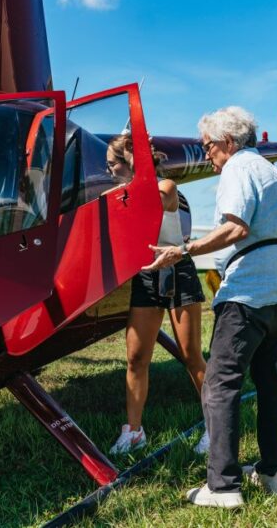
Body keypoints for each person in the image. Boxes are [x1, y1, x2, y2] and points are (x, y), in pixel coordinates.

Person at [143, 106, 277, 508]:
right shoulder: (273, 173)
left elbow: (236, 227)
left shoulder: (237, 169)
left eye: (208, 146)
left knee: (220, 385)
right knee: (269, 383)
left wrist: (184, 249)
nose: (207, 154)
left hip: (247, 294)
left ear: (228, 143)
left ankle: (223, 486)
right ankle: (272, 471)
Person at [105, 134, 210, 455]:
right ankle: (134, 432)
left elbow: (158, 202)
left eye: (112, 164)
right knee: (136, 358)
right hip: (147, 276)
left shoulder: (166, 187)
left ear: (131, 162)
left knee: (191, 356)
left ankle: (216, 427)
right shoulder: (116, 193)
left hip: (178, 272)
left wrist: (129, 187)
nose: (108, 171)